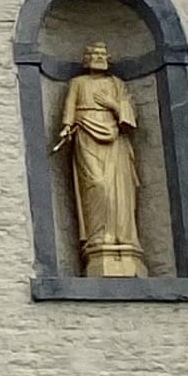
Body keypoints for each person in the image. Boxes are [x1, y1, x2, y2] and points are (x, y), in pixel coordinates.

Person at [54, 39, 149, 277]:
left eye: (102, 54)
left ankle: (123, 239)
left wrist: (113, 105)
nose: (99, 57)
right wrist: (66, 126)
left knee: (118, 189)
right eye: (94, 53)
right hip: (86, 135)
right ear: (86, 59)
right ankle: (97, 238)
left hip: (115, 138)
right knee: (97, 184)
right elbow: (69, 107)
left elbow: (130, 115)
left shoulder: (117, 84)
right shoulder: (78, 83)